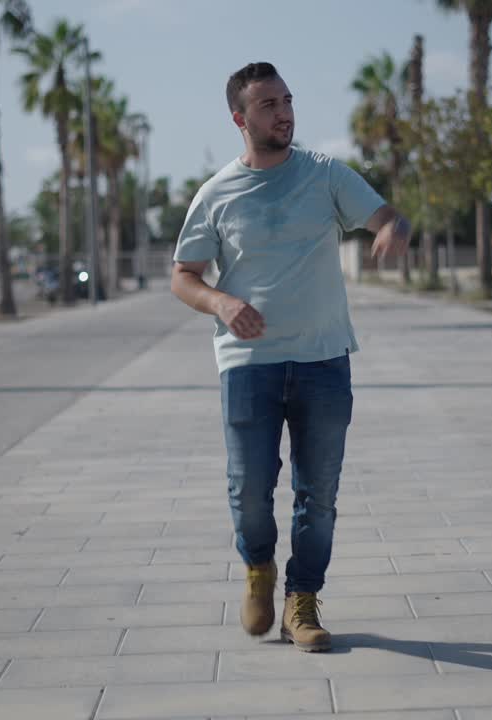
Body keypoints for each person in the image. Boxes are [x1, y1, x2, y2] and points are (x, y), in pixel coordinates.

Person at [170, 62, 411, 652]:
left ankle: (302, 601)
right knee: (248, 488)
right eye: (268, 105)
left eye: (287, 100)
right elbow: (183, 276)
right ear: (240, 118)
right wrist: (221, 302)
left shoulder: (324, 175)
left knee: (318, 494)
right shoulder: (217, 193)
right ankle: (259, 568)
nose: (284, 113)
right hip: (247, 364)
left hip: (323, 359)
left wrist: (392, 229)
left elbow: (385, 215)